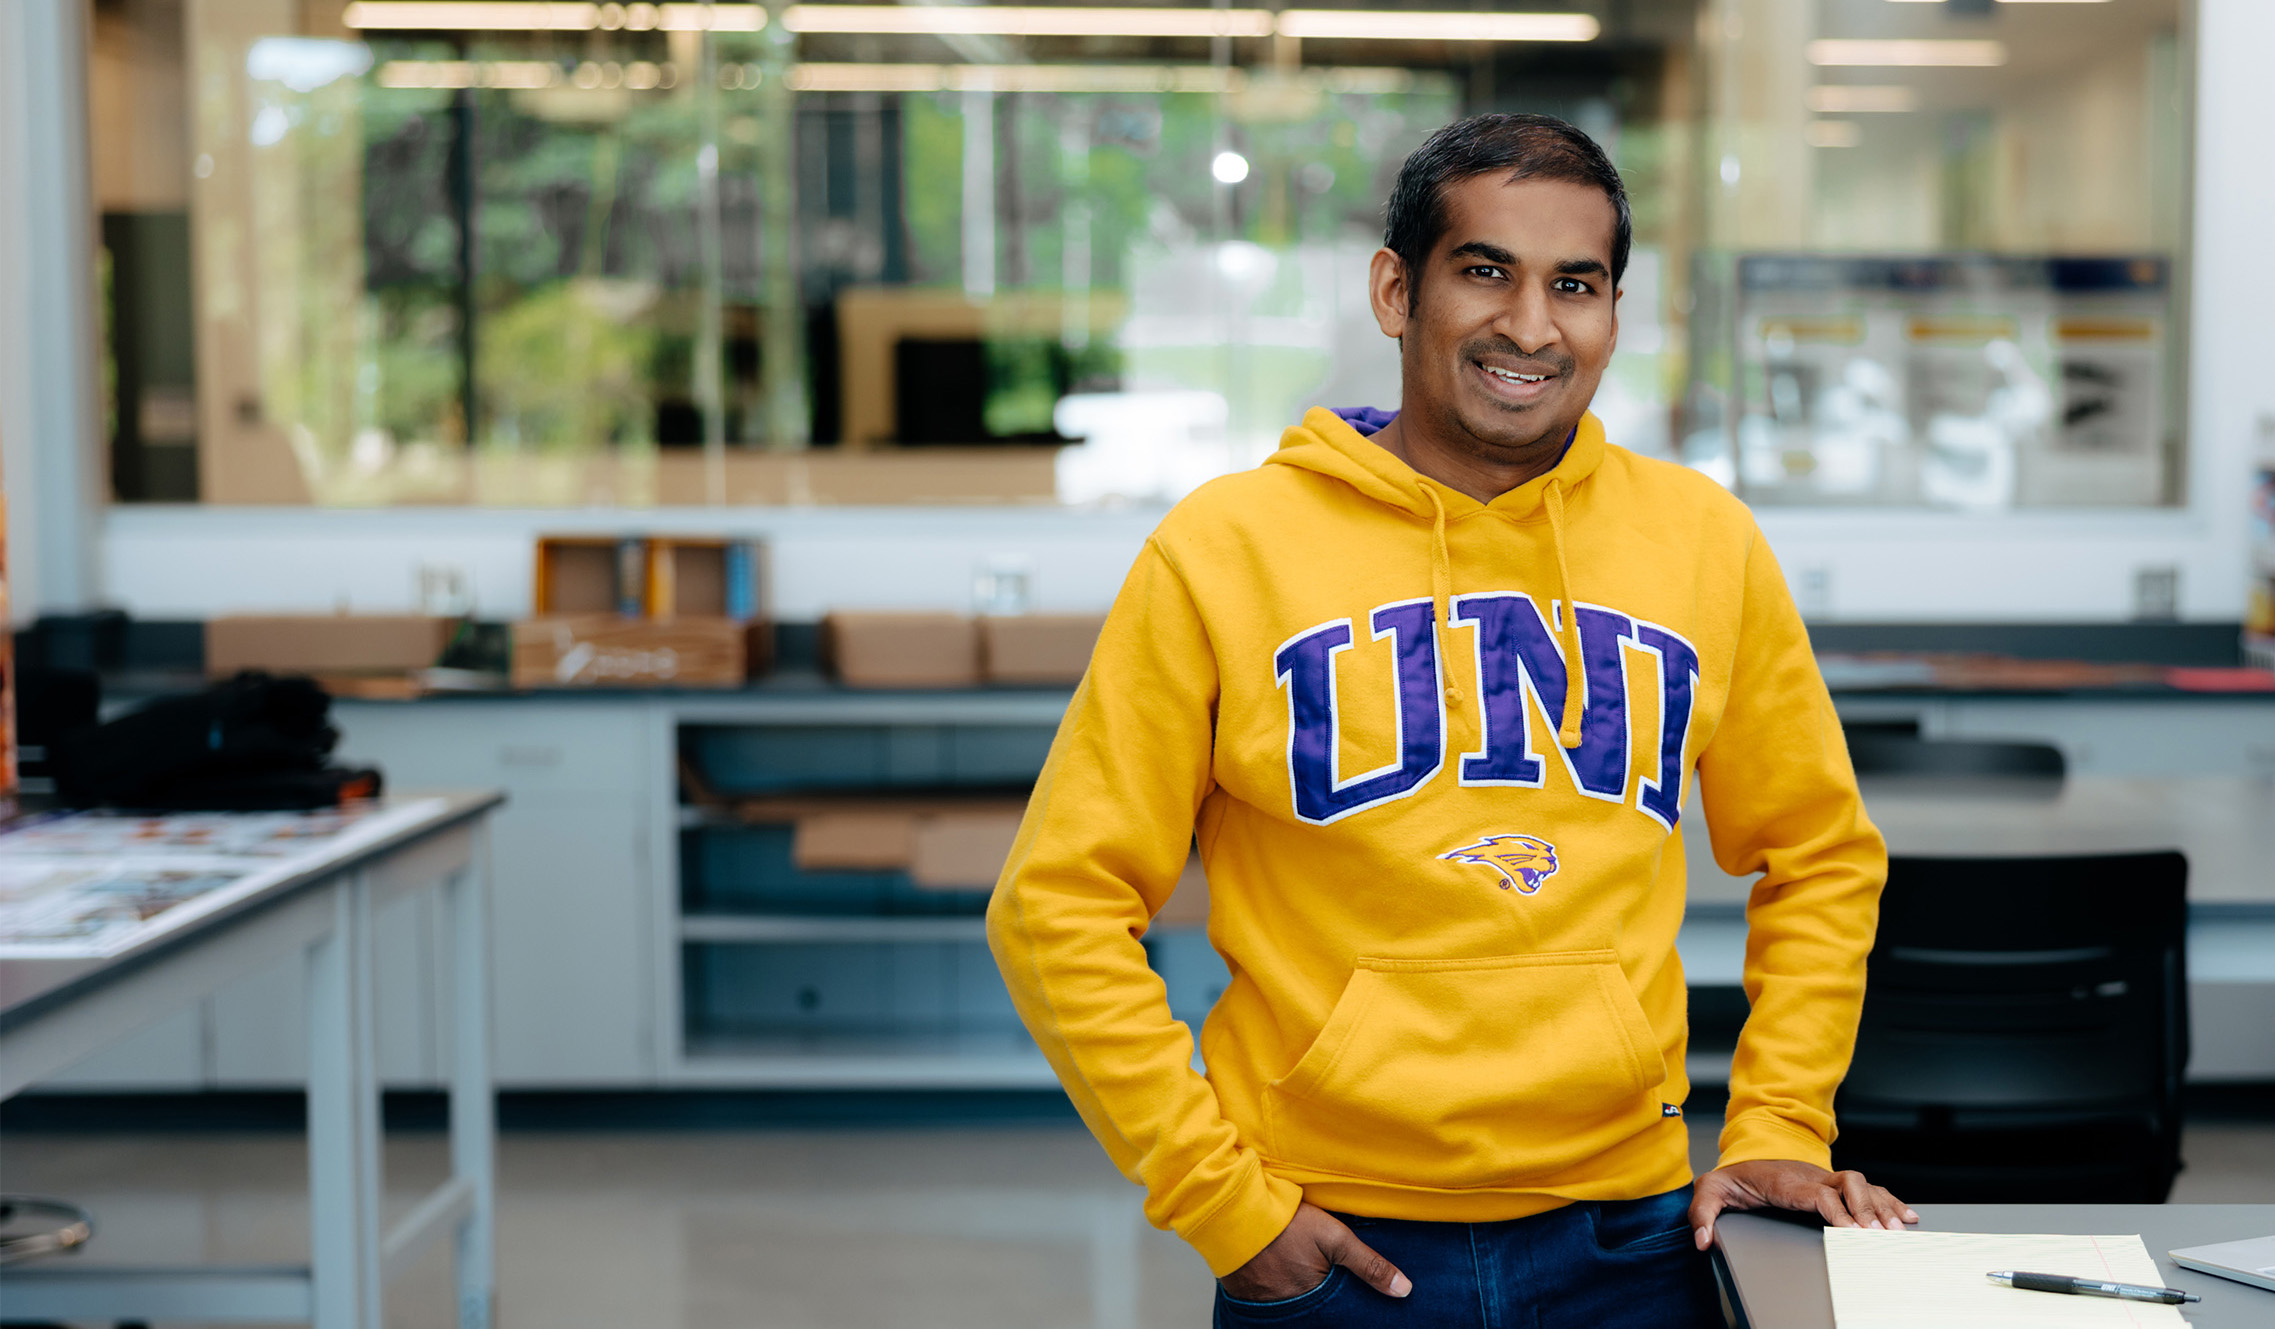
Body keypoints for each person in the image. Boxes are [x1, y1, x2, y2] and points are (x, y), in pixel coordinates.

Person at [987, 113, 1911, 1328]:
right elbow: (1055, 902)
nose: (1531, 327)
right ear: (1394, 290)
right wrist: (1220, 1202)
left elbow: (1819, 856)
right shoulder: (1226, 552)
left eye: (1574, 286)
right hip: (1329, 1246)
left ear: (1612, 316)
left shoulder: (1701, 544)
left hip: (1634, 1237)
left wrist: (1780, 1118)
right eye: (1485, 271)